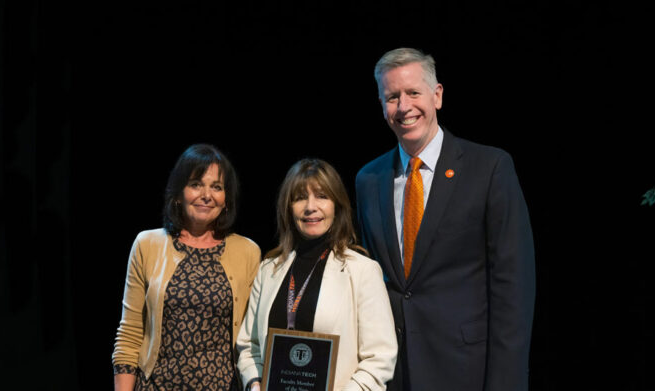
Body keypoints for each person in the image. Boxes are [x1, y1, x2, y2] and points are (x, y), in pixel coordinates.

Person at [354, 47, 536, 391]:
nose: (404, 107)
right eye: (392, 97)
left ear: (436, 96)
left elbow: (514, 288)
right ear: (381, 105)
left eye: (413, 93)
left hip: (466, 372)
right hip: (390, 374)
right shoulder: (368, 179)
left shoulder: (490, 168)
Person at [237, 159, 397, 391]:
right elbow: (249, 345)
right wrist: (254, 382)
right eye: (300, 197)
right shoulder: (269, 269)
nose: (310, 206)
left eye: (322, 196)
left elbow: (380, 358)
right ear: (288, 208)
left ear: (337, 205)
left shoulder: (362, 270)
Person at [112, 144, 261, 391]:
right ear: (179, 193)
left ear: (226, 200)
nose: (206, 195)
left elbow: (253, 340)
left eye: (217, 187)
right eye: (196, 184)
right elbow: (129, 335)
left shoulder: (248, 252)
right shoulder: (147, 244)